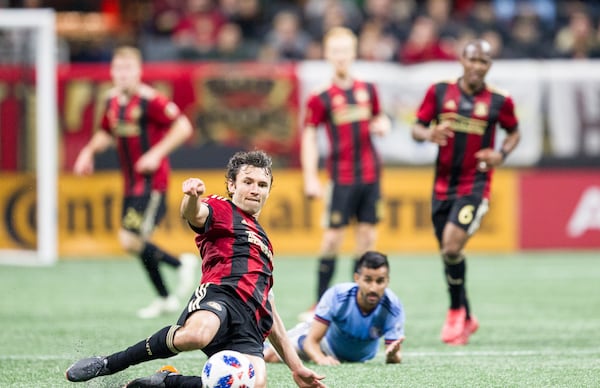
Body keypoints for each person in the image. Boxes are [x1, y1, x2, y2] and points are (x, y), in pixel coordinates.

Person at [65, 150, 326, 388]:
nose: (255, 189)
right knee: (197, 335)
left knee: (252, 384)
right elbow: (195, 214)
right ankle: (110, 363)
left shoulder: (265, 243)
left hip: (251, 324)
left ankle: (167, 382)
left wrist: (297, 367)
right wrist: (191, 198)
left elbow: (269, 308)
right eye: (248, 182)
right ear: (232, 185)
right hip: (221, 296)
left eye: (262, 185)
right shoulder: (223, 208)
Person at [72, 45, 198, 319]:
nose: (123, 75)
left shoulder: (151, 100)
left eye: (128, 69)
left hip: (153, 183)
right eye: (118, 69)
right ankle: (165, 296)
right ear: (112, 72)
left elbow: (183, 127)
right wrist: (87, 152)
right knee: (139, 242)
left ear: (139, 72)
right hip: (130, 183)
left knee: (131, 240)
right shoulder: (112, 101)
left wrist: (155, 154)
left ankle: (180, 265)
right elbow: (106, 133)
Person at [411, 39, 521, 345]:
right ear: (462, 60)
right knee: (450, 255)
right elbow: (416, 128)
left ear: (489, 66)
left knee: (451, 246)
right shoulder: (439, 92)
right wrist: (428, 133)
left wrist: (501, 154)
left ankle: (455, 311)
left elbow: (514, 132)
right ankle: (467, 317)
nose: (477, 67)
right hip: (442, 186)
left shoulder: (500, 100)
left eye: (484, 62)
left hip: (475, 184)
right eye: (473, 60)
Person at [300, 26, 391, 321]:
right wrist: (311, 177)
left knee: (367, 238)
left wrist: (383, 124)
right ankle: (319, 304)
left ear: (353, 54)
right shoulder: (321, 97)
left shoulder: (368, 89)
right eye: (335, 52)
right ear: (327, 55)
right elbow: (310, 137)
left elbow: (379, 117)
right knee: (331, 240)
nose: (340, 57)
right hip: (341, 177)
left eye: (345, 51)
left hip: (370, 175)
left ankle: (358, 301)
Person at [264, 250, 405, 365]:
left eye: (380, 281)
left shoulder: (392, 307)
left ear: (388, 281)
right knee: (270, 355)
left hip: (360, 358)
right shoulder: (338, 296)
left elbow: (394, 357)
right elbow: (311, 342)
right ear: (357, 278)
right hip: (325, 343)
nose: (373, 287)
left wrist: (393, 355)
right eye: (368, 280)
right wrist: (321, 358)